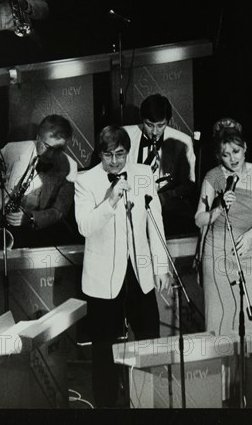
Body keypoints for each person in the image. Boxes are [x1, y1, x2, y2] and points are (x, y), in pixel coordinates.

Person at [75, 125, 170, 408]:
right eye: (108, 155)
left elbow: (156, 222)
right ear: (100, 154)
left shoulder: (142, 173)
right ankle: (106, 407)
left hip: (139, 274)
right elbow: (85, 227)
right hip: (103, 279)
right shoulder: (86, 181)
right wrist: (111, 199)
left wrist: (161, 266)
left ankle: (147, 403)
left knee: (149, 342)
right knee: (105, 351)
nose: (115, 161)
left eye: (120, 154)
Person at [195, 118, 252, 335]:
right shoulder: (213, 177)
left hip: (248, 248)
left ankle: (251, 367)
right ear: (218, 155)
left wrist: (251, 234)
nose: (232, 159)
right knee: (221, 320)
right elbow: (199, 219)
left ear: (245, 147)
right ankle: (224, 368)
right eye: (225, 155)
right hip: (217, 252)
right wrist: (217, 208)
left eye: (236, 151)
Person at [0, 114, 77, 249]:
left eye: (58, 150)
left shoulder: (70, 166)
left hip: (33, 234)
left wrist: (32, 218)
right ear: (38, 137)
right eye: (47, 146)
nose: (50, 155)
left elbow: (59, 211)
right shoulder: (12, 150)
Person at [124, 94, 196, 235]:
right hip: (130, 208)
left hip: (166, 210)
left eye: (160, 125)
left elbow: (188, 184)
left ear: (168, 121)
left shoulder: (183, 141)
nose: (155, 132)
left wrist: (161, 199)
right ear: (142, 119)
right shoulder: (125, 134)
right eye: (149, 125)